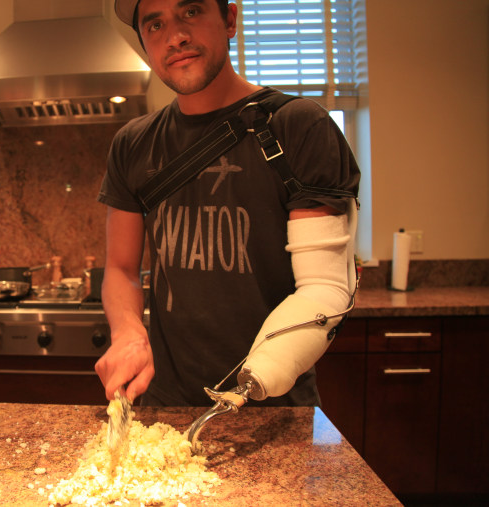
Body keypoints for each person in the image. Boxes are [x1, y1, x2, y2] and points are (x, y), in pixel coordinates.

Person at [94, 0, 361, 407]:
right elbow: (121, 268)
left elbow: (322, 288)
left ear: (230, 19)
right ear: (145, 44)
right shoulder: (133, 144)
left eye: (191, 12)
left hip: (271, 407)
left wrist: (257, 380)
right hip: (167, 404)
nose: (175, 36)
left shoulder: (298, 126)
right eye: (155, 24)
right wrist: (128, 331)